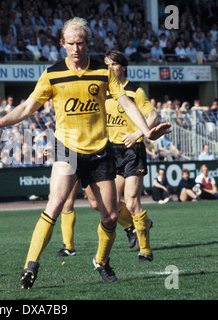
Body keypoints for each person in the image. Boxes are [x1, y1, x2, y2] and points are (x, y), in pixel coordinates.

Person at [0, 17, 170, 288]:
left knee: (111, 216)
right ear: (62, 44)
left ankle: (101, 261)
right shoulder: (53, 74)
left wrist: (146, 132)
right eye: (70, 43)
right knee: (55, 204)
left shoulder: (103, 72)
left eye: (80, 43)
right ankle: (30, 266)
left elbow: (125, 102)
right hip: (66, 148)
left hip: (100, 150)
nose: (75, 48)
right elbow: (28, 106)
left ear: (88, 43)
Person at [57, 50, 159, 262]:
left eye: (113, 64)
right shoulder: (102, 90)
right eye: (107, 65)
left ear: (123, 67)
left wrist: (137, 134)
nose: (110, 68)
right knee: (100, 205)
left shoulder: (134, 91)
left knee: (131, 202)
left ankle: (145, 251)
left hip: (132, 150)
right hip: (108, 151)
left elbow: (153, 116)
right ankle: (135, 225)